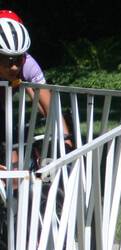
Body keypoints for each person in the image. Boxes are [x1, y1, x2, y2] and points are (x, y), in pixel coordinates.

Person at [0, 16, 72, 153]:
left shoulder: (28, 64)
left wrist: (67, 145)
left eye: (18, 59)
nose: (14, 67)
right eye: (9, 61)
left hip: (16, 83)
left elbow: (51, 109)